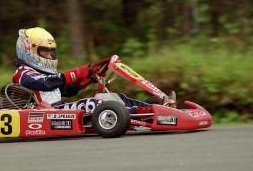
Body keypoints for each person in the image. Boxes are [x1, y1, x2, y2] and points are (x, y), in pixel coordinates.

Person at [12, 27, 156, 114]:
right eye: (45, 52)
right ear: (28, 50)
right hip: (48, 112)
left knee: (113, 98)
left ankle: (154, 107)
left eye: (51, 52)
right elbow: (44, 84)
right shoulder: (23, 73)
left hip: (59, 109)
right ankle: (144, 114)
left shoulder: (46, 72)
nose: (49, 56)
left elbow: (62, 91)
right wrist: (76, 73)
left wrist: (83, 82)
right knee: (93, 104)